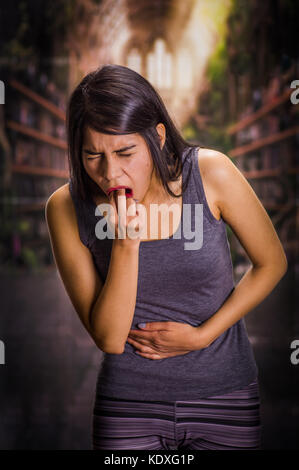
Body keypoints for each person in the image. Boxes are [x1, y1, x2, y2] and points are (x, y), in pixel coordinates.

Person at [45, 64, 288, 450]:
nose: (111, 173)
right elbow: (108, 338)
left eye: (125, 152)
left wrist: (202, 336)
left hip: (224, 396)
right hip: (127, 405)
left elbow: (272, 263)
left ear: (157, 137)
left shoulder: (210, 173)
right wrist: (126, 245)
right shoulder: (65, 206)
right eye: (92, 155)